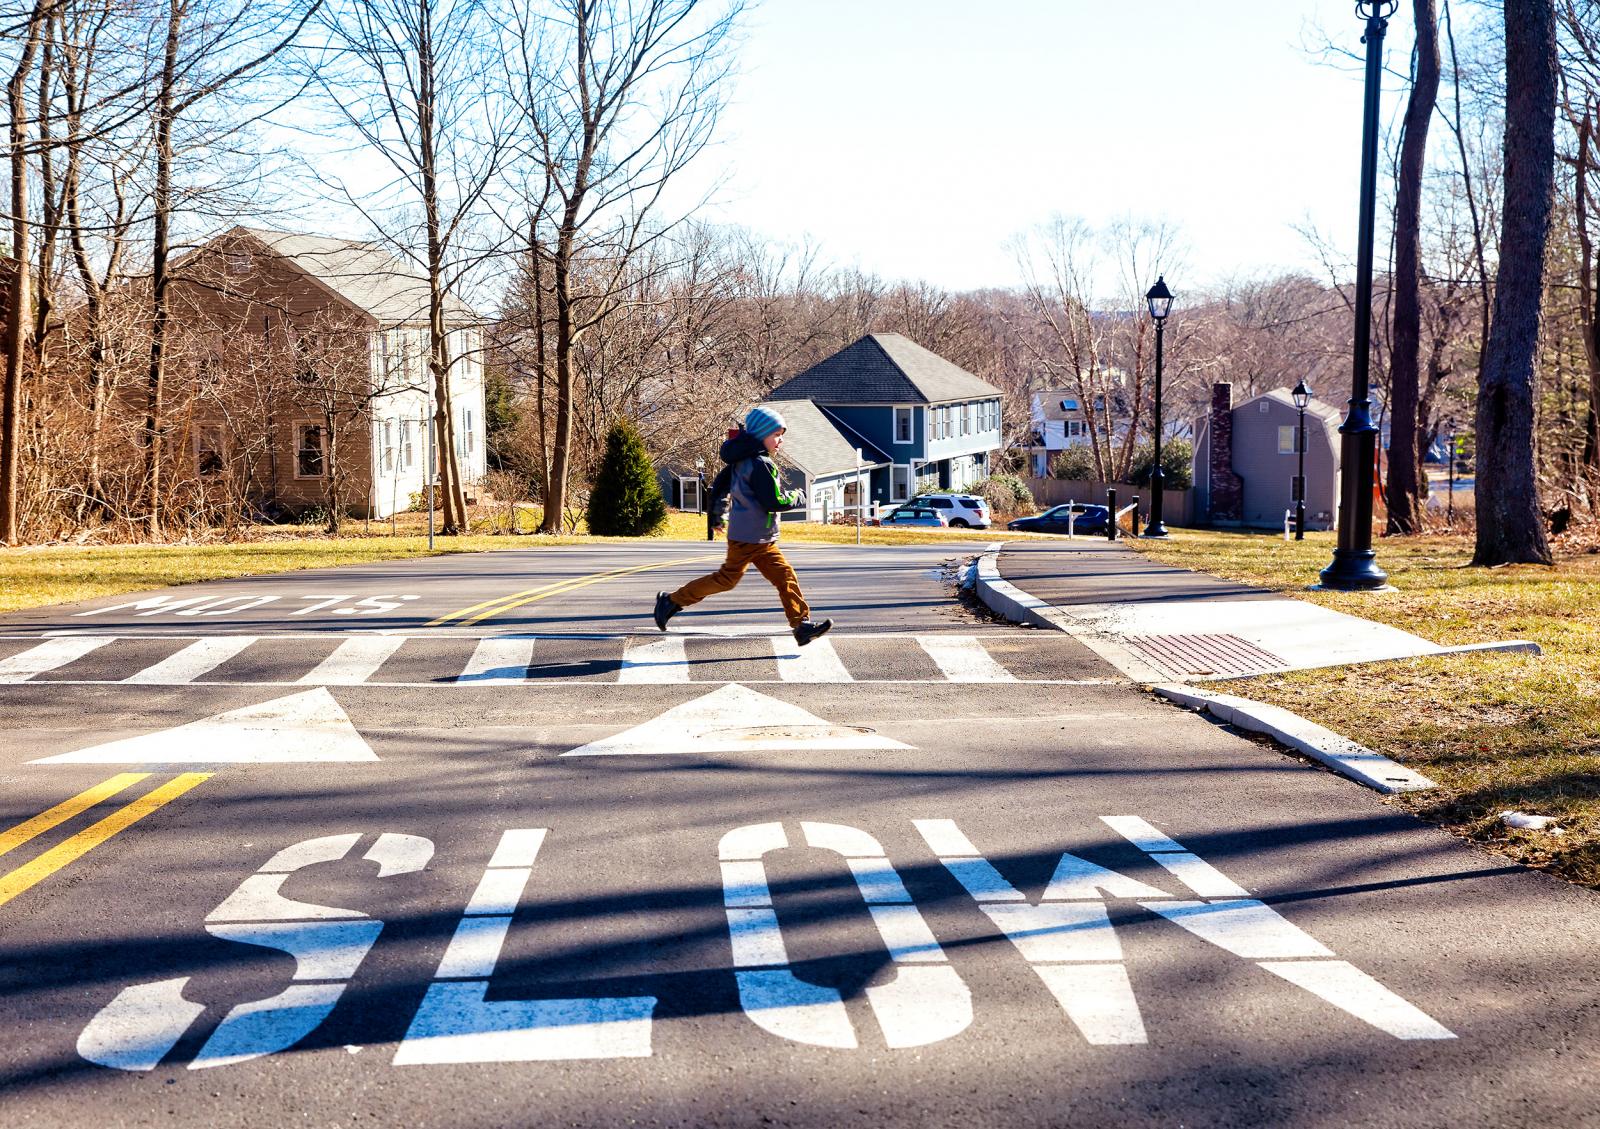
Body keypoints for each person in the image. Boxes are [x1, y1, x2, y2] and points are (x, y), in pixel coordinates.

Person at [654, 406, 834, 646]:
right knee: (726, 579)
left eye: (781, 434)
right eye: (776, 434)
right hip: (749, 538)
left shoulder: (742, 460)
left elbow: (720, 486)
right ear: (761, 435)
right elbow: (774, 501)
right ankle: (672, 601)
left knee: (785, 577)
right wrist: (798, 496)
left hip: (759, 537)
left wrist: (717, 515)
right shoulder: (761, 464)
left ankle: (801, 626)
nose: (780, 440)